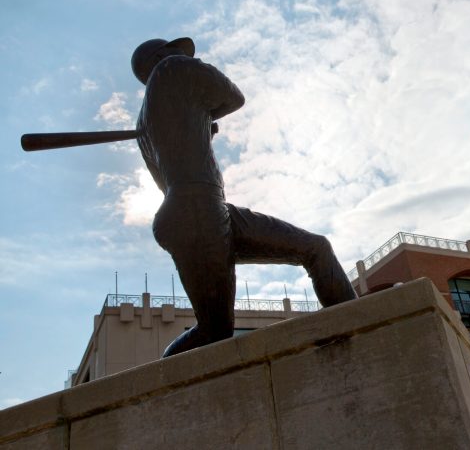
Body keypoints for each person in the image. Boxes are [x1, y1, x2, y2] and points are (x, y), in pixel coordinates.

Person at [131, 37, 357, 357]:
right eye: (176, 50)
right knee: (214, 331)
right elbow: (233, 97)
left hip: (198, 209)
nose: (185, 55)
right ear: (161, 55)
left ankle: (360, 326)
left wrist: (199, 119)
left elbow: (167, 182)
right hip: (200, 208)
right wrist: (208, 114)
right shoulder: (173, 66)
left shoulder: (144, 123)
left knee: (315, 248)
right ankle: (164, 377)